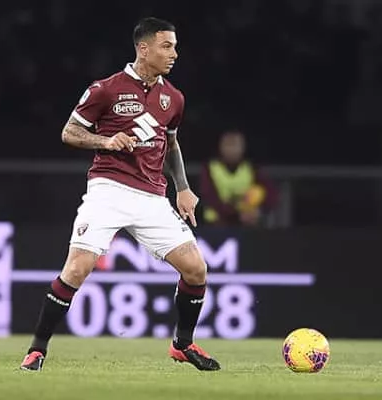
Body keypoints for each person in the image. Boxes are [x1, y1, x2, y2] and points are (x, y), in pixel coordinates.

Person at [20, 17, 220, 372]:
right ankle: (37, 350)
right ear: (144, 48)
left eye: (174, 47)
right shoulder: (106, 89)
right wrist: (106, 140)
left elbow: (171, 144)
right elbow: (69, 132)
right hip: (108, 190)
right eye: (166, 46)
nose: (174, 54)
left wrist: (183, 187)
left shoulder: (173, 98)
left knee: (196, 269)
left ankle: (182, 344)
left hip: (152, 197)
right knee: (77, 269)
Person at [200, 129, 278, 226]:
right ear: (220, 146)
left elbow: (271, 194)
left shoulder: (251, 168)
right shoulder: (210, 168)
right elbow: (208, 197)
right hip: (215, 225)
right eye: (228, 145)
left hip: (246, 224)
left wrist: (259, 211)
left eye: (235, 145)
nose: (231, 150)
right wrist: (236, 214)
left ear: (243, 147)